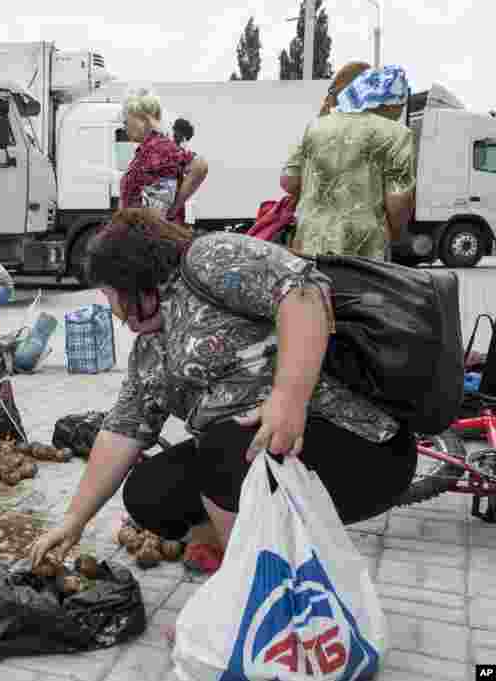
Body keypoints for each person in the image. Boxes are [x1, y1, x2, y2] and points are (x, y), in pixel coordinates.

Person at [29, 208, 415, 605]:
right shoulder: (152, 347)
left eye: (110, 294)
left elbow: (302, 291)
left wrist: (288, 398)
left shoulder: (206, 260)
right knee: (151, 492)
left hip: (358, 445)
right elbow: (123, 429)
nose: (113, 310)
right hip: (260, 454)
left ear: (133, 279)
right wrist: (73, 521)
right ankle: (257, 548)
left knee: (221, 448)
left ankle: (259, 595)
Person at [282, 64, 417, 259]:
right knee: (359, 290)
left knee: (319, 289)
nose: (400, 112)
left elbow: (288, 181)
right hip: (366, 247)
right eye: (401, 105)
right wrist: (395, 231)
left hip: (310, 241)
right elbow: (398, 200)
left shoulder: (315, 127)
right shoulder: (397, 134)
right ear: (388, 102)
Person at [120, 90, 208, 224]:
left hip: (150, 237)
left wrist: (174, 208)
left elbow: (200, 166)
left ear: (142, 120)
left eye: (127, 118)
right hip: (143, 233)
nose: (124, 123)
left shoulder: (159, 148)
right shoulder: (150, 149)